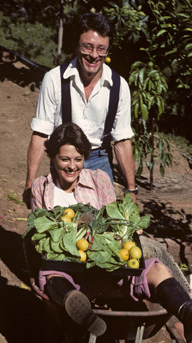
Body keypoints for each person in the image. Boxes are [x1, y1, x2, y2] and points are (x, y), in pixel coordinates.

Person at [29, 123, 192, 343]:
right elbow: (44, 233)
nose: (72, 166)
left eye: (78, 159)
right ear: (53, 158)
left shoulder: (98, 180)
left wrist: (127, 228)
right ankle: (83, 315)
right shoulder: (42, 187)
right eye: (64, 159)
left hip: (108, 267)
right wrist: (82, 226)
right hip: (68, 270)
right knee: (52, 277)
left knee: (156, 269)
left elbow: (112, 221)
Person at [24, 12, 137, 208]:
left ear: (108, 50)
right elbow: (41, 133)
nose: (94, 55)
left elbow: (122, 141)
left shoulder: (119, 86)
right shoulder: (54, 79)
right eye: (88, 46)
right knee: (58, 225)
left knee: (102, 229)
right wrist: (29, 183)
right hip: (64, 161)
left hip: (99, 161)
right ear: (76, 46)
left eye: (101, 49)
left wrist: (132, 189)